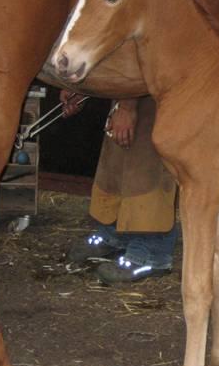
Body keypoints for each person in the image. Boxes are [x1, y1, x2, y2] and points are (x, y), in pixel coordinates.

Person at [60, 91, 179, 283]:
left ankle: (152, 253)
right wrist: (81, 88)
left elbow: (139, 63)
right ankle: (116, 234)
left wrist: (127, 106)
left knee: (148, 159)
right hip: (123, 89)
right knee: (118, 155)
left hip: (156, 87)